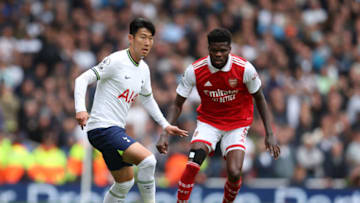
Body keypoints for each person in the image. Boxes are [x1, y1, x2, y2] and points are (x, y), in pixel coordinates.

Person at [156, 28, 281, 203]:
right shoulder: (195, 70)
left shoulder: (244, 69)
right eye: (214, 50)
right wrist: (164, 133)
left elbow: (260, 98)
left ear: (230, 49)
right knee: (192, 164)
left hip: (237, 123)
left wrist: (270, 133)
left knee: (235, 172)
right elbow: (177, 103)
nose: (219, 54)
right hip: (209, 122)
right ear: (208, 49)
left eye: (223, 50)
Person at [74, 17, 188, 203]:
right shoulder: (115, 60)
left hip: (115, 130)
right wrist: (81, 109)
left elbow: (147, 98)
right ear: (131, 38)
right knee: (149, 160)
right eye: (143, 37)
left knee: (124, 183)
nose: (147, 42)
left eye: (151, 38)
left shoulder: (144, 69)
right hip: (101, 128)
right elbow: (81, 80)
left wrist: (165, 125)